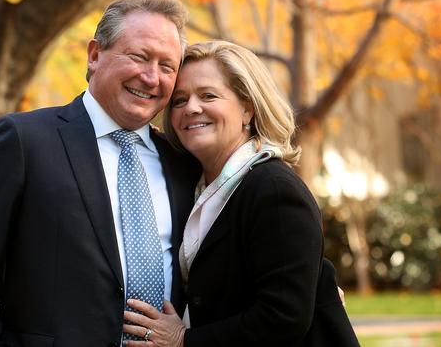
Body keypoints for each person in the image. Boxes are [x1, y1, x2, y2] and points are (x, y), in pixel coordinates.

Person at [0, 0, 200, 347]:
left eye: (167, 66)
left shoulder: (183, 162)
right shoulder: (23, 142)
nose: (152, 77)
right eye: (139, 57)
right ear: (95, 55)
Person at [122, 41, 359, 346]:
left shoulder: (273, 189)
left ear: (247, 108)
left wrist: (184, 340)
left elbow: (283, 318)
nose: (191, 108)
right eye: (179, 101)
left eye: (208, 95)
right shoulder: (197, 189)